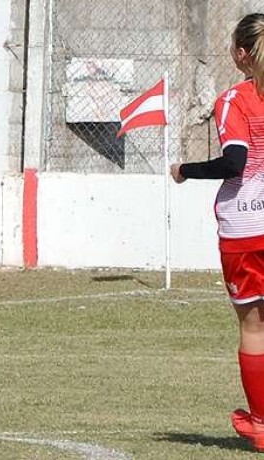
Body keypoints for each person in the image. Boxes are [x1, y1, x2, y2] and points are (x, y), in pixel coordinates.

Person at [170, 13, 264, 452]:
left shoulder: (236, 99)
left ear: (242, 54)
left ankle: (261, 424)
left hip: (246, 226)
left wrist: (185, 170)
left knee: (253, 328)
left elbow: (234, 165)